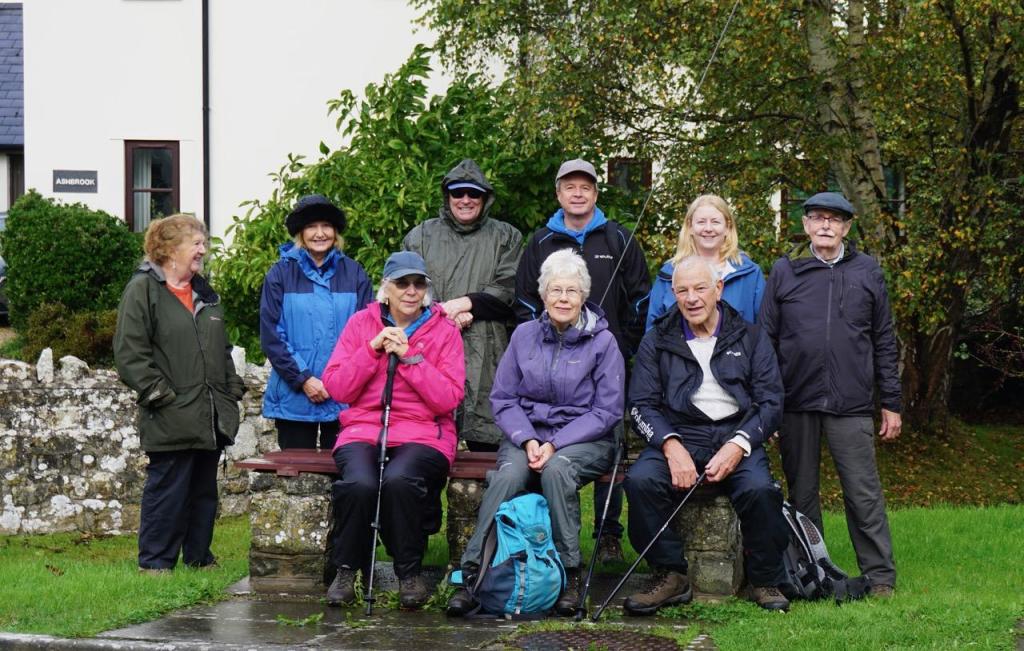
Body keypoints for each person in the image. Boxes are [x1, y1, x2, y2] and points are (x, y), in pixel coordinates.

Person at [448, 249, 625, 616]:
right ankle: (473, 573)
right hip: (526, 435)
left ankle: (569, 573)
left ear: (583, 296)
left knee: (558, 471)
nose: (563, 298)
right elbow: (504, 397)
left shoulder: (603, 342)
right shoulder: (524, 335)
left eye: (572, 291)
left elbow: (606, 411)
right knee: (508, 476)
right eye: (556, 290)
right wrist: (528, 439)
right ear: (543, 295)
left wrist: (555, 444)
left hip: (586, 440)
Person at [623, 256, 792, 613]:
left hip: (736, 432)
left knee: (760, 490)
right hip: (680, 431)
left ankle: (764, 579)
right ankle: (670, 574)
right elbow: (641, 404)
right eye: (682, 290)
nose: (692, 298)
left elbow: (771, 402)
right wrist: (670, 445)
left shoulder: (750, 336)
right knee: (640, 482)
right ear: (673, 294)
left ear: (718, 289)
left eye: (700, 288)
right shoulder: (658, 340)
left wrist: (739, 444)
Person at [759, 191, 901, 597]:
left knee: (862, 492)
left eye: (834, 219)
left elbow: (884, 339)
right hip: (795, 401)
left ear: (847, 227)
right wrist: (769, 406)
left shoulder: (867, 271)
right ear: (805, 225)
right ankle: (811, 573)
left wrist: (891, 402)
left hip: (851, 402)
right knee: (802, 494)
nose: (825, 225)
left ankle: (880, 577)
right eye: (818, 218)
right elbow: (765, 341)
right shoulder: (785, 271)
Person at [514, 158, 650, 563]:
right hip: (551, 369)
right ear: (558, 193)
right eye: (569, 186)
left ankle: (608, 533)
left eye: (585, 187)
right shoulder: (540, 242)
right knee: (549, 447)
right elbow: (524, 301)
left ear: (595, 192)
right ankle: (543, 532)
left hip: (607, 363)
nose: (578, 193)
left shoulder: (619, 238)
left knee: (610, 441)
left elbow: (641, 299)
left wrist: (623, 347)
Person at [321, 251, 465, 609]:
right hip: (364, 429)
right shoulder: (360, 324)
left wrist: (411, 357)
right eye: (402, 283)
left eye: (418, 284)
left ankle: (408, 572)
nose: (411, 291)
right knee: (359, 484)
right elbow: (337, 387)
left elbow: (448, 398)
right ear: (386, 288)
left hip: (424, 432)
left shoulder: (444, 331)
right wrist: (371, 351)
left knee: (401, 481)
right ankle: (346, 569)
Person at [114, 214, 245, 573]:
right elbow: (129, 353)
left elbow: (221, 350)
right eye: (196, 244)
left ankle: (199, 558)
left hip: (210, 411)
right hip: (170, 411)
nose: (203, 250)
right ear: (170, 249)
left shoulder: (205, 294)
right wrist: (160, 395)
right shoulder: (143, 289)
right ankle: (156, 563)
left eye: (204, 243)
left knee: (203, 491)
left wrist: (230, 390)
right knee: (168, 490)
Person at [403, 159, 522, 450]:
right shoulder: (420, 236)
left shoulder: (507, 236)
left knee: (488, 446)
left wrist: (467, 304)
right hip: (431, 349)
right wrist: (444, 314)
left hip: (488, 353)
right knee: (425, 445)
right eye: (458, 193)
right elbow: (404, 289)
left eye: (473, 193)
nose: (465, 200)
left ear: (485, 198)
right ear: (448, 197)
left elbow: (511, 288)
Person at [260, 194, 372, 450]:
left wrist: (341, 380)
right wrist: (304, 379)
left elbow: (367, 333)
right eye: (311, 226)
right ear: (301, 232)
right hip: (294, 396)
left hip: (345, 396)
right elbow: (272, 335)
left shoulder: (355, 273)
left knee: (346, 471)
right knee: (298, 474)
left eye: (326, 226)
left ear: (335, 232)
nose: (320, 233)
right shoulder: (280, 274)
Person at [647, 194, 765, 328]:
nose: (708, 229)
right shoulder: (669, 274)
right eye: (701, 222)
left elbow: (763, 329)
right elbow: (653, 329)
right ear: (690, 227)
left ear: (728, 227)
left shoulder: (750, 274)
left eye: (715, 222)